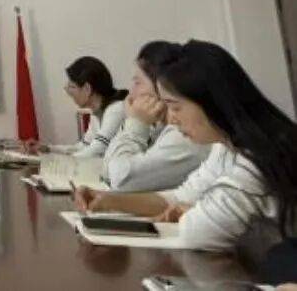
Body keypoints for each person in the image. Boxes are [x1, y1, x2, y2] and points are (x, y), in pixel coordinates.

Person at [75, 40, 297, 253]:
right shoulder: (224, 147)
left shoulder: (256, 161)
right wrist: (110, 201)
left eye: (176, 107)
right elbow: (182, 198)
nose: (172, 119)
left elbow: (197, 233)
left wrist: (194, 212)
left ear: (210, 102)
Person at [102, 42, 209, 191]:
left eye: (138, 83)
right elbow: (107, 171)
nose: (131, 93)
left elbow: (120, 179)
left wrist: (135, 124)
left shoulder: (185, 136)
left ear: (162, 85)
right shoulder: (158, 127)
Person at [29, 57, 128, 157]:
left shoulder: (115, 109)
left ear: (87, 89)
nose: (68, 92)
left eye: (72, 87)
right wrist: (48, 149)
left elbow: (96, 149)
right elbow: (84, 146)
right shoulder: (96, 113)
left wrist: (63, 163)